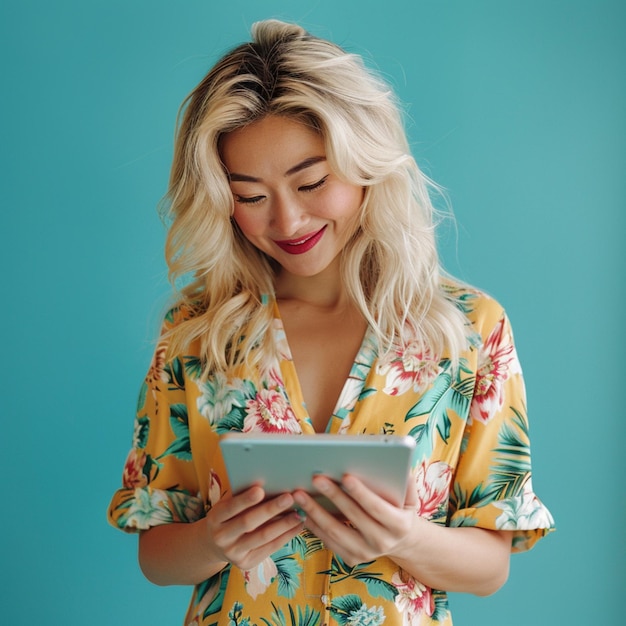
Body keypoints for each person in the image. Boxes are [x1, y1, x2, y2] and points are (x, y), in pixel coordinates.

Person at [108, 19, 554, 626]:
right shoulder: (196, 333)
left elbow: (491, 564)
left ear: (366, 162)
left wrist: (403, 539)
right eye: (251, 194)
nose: (288, 220)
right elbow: (156, 552)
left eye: (312, 182)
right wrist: (214, 540)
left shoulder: (470, 330)